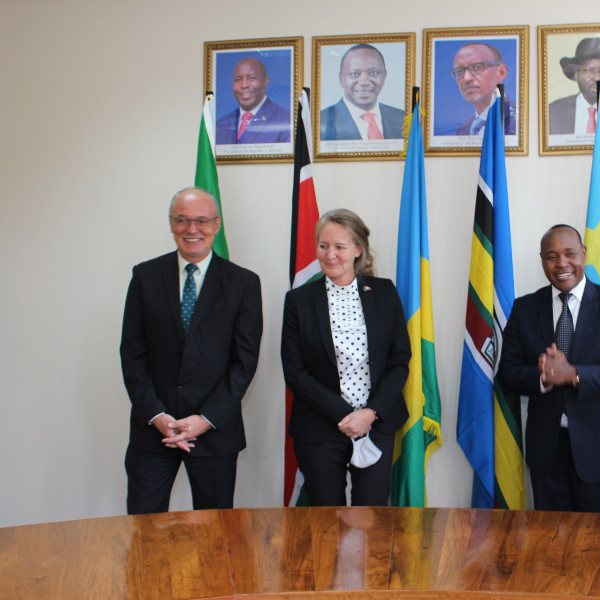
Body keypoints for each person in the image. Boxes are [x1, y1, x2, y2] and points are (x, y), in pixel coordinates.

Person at [120, 187, 263, 515]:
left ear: (217, 224)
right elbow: (132, 353)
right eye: (182, 220)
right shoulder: (145, 276)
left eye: (201, 221)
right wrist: (157, 416)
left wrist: (204, 419)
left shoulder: (243, 283)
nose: (192, 229)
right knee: (145, 534)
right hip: (153, 432)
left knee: (216, 539)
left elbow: (244, 363)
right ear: (171, 224)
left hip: (214, 432)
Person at [498, 225, 600, 513]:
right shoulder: (524, 308)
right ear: (542, 260)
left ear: (584, 254)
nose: (562, 264)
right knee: (552, 548)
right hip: (548, 453)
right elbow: (507, 372)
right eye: (552, 256)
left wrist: (574, 374)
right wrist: (542, 377)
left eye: (569, 254)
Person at [281, 209, 411, 506]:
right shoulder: (298, 301)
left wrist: (369, 413)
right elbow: (295, 372)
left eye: (339, 247)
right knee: (326, 520)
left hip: (375, 424)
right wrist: (344, 414)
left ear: (357, 250)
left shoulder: (384, 292)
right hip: (319, 427)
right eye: (323, 245)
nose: (330, 255)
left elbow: (400, 359)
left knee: (371, 518)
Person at [320, 44, 405, 140]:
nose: (364, 82)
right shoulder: (321, 121)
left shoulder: (402, 119)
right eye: (354, 74)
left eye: (373, 73)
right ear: (341, 79)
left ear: (384, 76)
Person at [216, 57, 292, 144]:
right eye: (238, 80)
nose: (244, 85)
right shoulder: (220, 125)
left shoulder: (286, 120)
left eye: (251, 78)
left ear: (265, 81)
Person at [445, 42, 516, 136]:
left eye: (477, 67)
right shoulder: (464, 128)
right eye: (459, 71)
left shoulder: (517, 121)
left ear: (501, 72)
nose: (466, 78)